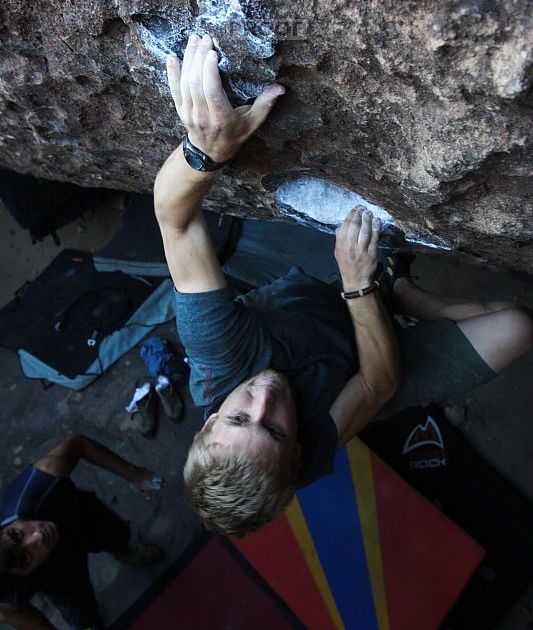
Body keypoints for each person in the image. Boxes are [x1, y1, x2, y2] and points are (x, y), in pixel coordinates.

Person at [154, 33, 533, 536]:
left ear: (209, 421)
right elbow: (379, 385)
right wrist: (361, 288)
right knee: (516, 326)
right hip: (367, 368)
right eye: (273, 428)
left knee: (407, 294)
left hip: (320, 304)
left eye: (239, 418)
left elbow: (175, 222)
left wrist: (203, 150)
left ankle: (394, 290)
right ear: (295, 449)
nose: (264, 400)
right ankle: (398, 293)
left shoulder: (218, 353)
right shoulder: (300, 462)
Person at [0, 435, 164, 629]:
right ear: (22, 576)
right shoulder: (6, 592)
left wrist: (134, 474)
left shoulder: (39, 486)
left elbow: (78, 444)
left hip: (83, 517)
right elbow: (17, 614)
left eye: (17, 534)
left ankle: (123, 551)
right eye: (26, 558)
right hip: (57, 574)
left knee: (117, 535)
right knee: (82, 611)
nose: (37, 536)